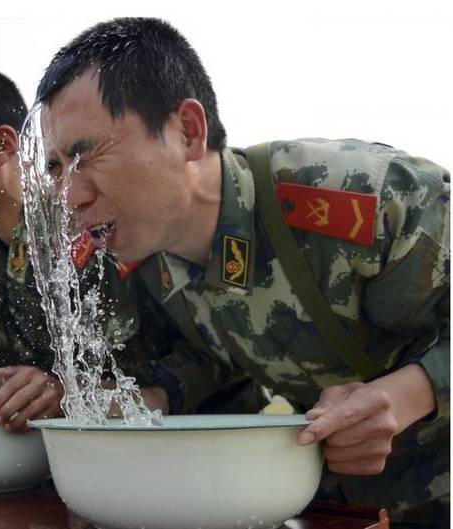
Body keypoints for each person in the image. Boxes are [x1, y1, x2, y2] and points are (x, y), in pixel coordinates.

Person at [34, 17, 449, 527]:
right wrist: (152, 399)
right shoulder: (145, 258)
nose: (71, 196)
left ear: (187, 131)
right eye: (56, 168)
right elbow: (230, 353)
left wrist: (413, 391)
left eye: (87, 153)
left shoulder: (359, 200)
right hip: (338, 503)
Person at [0, 66, 264, 430]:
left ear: (3, 144)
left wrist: (111, 394)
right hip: (98, 450)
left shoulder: (103, 222)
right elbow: (42, 366)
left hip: (206, 442)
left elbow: (216, 351)